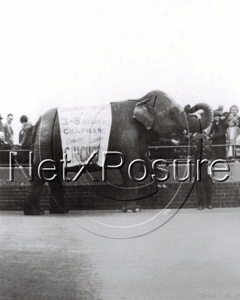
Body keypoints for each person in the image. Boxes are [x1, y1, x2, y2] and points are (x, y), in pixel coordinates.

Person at [190, 132, 215, 210]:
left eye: (204, 134)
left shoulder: (209, 144)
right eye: (200, 134)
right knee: (199, 187)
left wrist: (210, 161)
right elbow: (191, 153)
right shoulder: (195, 144)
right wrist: (192, 143)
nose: (202, 136)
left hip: (207, 168)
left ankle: (209, 203)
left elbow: (213, 155)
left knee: (209, 187)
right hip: (199, 168)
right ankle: (200, 204)